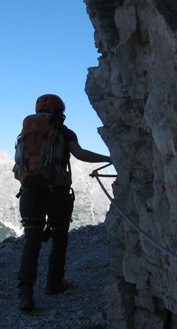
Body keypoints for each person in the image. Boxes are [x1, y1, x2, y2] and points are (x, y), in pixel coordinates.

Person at [16, 94, 111, 312]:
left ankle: (25, 295)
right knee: (59, 237)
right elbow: (80, 154)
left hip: (29, 194)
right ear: (60, 112)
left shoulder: (27, 134)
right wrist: (109, 159)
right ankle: (54, 283)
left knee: (32, 242)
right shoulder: (64, 132)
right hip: (56, 194)